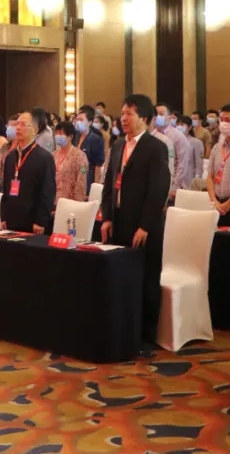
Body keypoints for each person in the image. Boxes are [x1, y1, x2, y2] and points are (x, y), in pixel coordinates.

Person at [100, 94, 171, 344]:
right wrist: (107, 217)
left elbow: (158, 190)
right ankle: (124, 328)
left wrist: (145, 225)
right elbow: (109, 184)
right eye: (122, 113)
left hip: (144, 226)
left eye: (129, 114)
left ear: (145, 118)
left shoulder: (156, 147)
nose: (124, 118)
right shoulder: (118, 145)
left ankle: (146, 335)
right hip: (119, 221)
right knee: (122, 277)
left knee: (146, 280)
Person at [1, 111, 56, 233]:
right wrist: (3, 216)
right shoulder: (10, 157)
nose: (18, 128)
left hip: (33, 222)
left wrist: (40, 221)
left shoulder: (44, 158)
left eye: (23, 124)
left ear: (35, 130)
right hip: (11, 219)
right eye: (17, 124)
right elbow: (5, 189)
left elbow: (47, 192)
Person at [155, 102, 193, 193]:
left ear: (169, 117)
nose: (158, 117)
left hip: (172, 183)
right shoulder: (153, 134)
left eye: (161, 114)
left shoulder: (178, 136)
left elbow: (182, 163)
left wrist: (175, 186)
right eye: (156, 114)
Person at [53, 121, 88, 203]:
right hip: (52, 199)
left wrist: (77, 202)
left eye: (61, 133)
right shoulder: (53, 155)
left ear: (71, 136)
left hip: (69, 201)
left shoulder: (80, 156)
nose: (57, 136)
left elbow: (81, 181)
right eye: (56, 133)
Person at [74, 106, 106, 189]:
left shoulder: (96, 139)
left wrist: (95, 185)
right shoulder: (75, 136)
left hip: (88, 177)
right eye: (77, 119)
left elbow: (98, 165)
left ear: (90, 122)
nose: (78, 122)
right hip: (74, 176)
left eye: (81, 120)